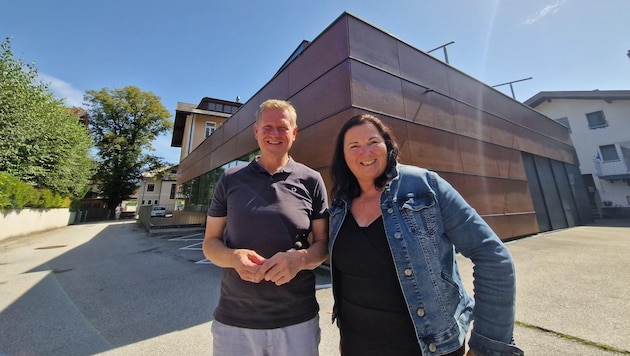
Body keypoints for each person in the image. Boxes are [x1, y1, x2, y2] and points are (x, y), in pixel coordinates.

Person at [328, 114, 523, 356]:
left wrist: (487, 346)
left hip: (429, 348)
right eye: (354, 146)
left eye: (372, 142)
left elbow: (493, 257)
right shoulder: (339, 205)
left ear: (387, 145)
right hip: (356, 347)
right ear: (343, 157)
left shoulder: (425, 185)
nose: (365, 152)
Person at [202, 99, 329, 356]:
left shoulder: (312, 180)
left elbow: (323, 245)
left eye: (282, 127)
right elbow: (210, 243)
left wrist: (300, 260)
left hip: (297, 321)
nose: (274, 134)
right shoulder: (229, 180)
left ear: (294, 133)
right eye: (267, 127)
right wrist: (232, 257)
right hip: (235, 321)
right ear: (256, 131)